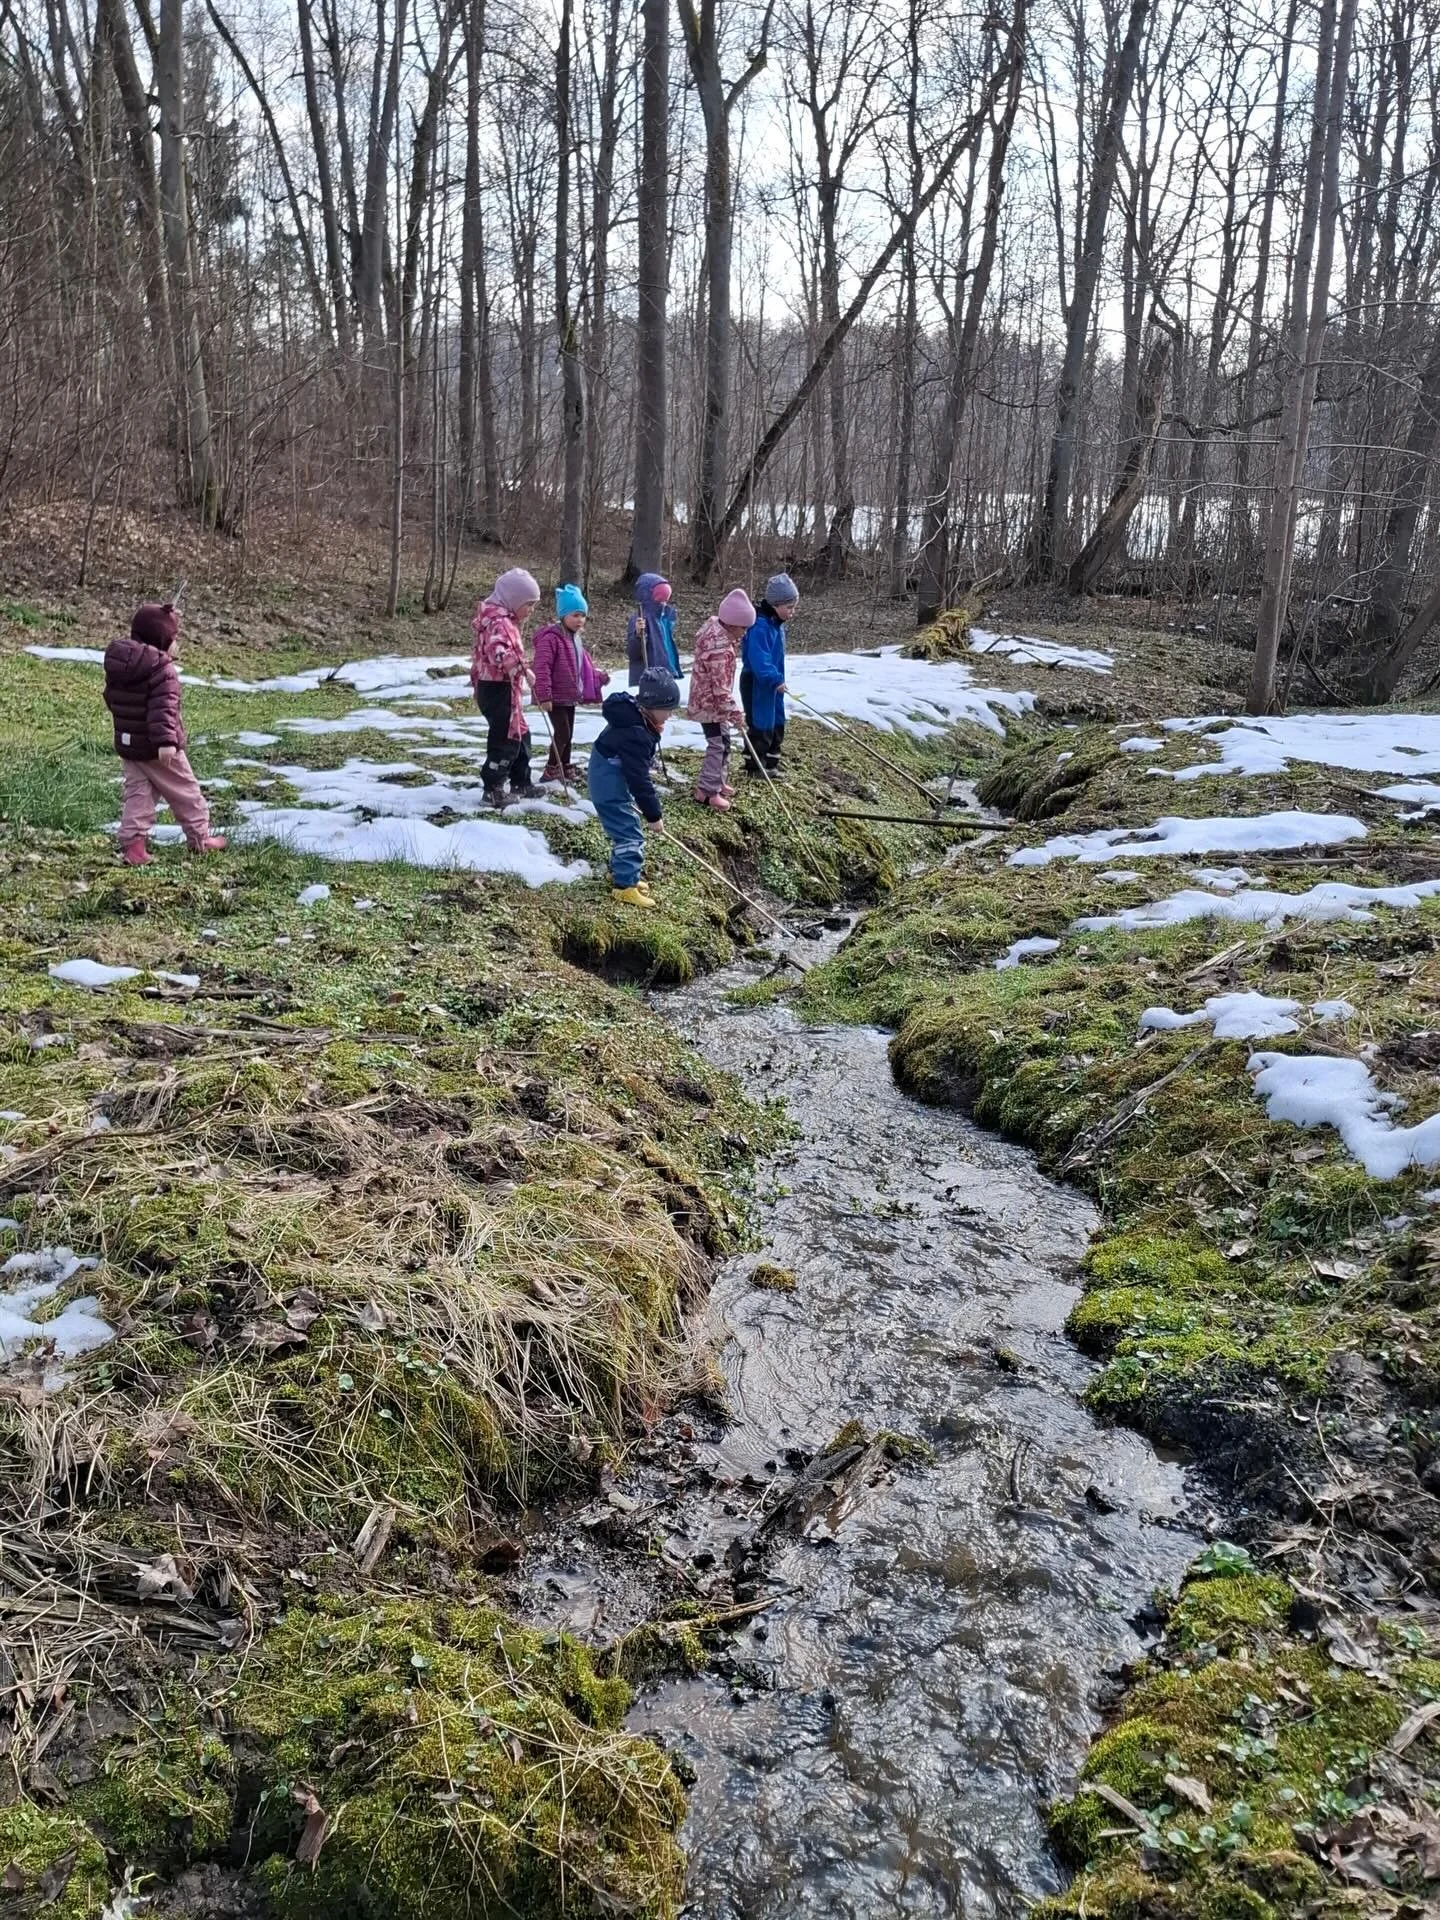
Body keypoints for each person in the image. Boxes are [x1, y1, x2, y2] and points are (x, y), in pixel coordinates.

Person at [103, 601, 225, 866]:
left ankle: (133, 845)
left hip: (129, 744)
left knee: (138, 792)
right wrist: (167, 741)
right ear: (161, 639)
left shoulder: (119, 665)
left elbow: (112, 699)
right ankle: (200, 837)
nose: (177, 644)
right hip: (159, 747)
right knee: (186, 790)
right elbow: (164, 707)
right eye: (175, 638)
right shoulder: (162, 669)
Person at [586, 666, 680, 909]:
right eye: (667, 710)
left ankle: (622, 874)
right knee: (629, 834)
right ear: (652, 706)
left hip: (609, 779)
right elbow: (639, 778)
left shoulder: (634, 716)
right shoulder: (635, 733)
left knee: (625, 829)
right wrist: (653, 815)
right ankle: (624, 887)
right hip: (607, 786)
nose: (669, 716)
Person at [472, 568, 539, 804]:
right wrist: (521, 668)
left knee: (520, 733)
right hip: (496, 689)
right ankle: (493, 788)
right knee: (506, 738)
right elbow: (499, 651)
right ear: (513, 600)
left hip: (505, 687)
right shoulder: (498, 623)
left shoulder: (505, 619)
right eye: (528, 604)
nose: (531, 610)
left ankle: (521, 781)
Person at [531, 583, 609, 785]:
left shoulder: (574, 639)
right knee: (562, 731)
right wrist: (544, 695)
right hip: (555, 695)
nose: (580, 620)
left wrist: (598, 678)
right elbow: (542, 667)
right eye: (575, 615)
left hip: (569, 695)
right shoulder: (552, 639)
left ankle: (564, 765)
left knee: (568, 732)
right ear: (563, 615)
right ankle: (551, 768)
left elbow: (582, 667)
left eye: (583, 615)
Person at [686, 588, 754, 810]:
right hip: (709, 704)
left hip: (715, 705)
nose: (744, 632)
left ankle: (718, 781)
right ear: (732, 623)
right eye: (743, 627)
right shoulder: (719, 647)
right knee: (717, 745)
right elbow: (720, 688)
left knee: (724, 742)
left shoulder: (721, 632)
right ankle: (706, 791)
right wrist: (735, 713)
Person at [740, 573, 799, 776]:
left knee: (777, 719)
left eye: (794, 607)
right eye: (789, 608)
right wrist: (774, 679)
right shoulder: (759, 626)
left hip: (774, 683)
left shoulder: (776, 625)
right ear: (775, 604)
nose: (792, 613)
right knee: (761, 722)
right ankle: (755, 766)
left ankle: (772, 762)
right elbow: (759, 659)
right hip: (758, 681)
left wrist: (778, 679)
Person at [626, 572, 680, 685]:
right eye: (660, 601)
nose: (664, 604)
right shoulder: (640, 618)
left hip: (666, 672)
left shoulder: (664, 616)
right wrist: (637, 634)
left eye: (666, 600)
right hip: (650, 676)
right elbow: (633, 652)